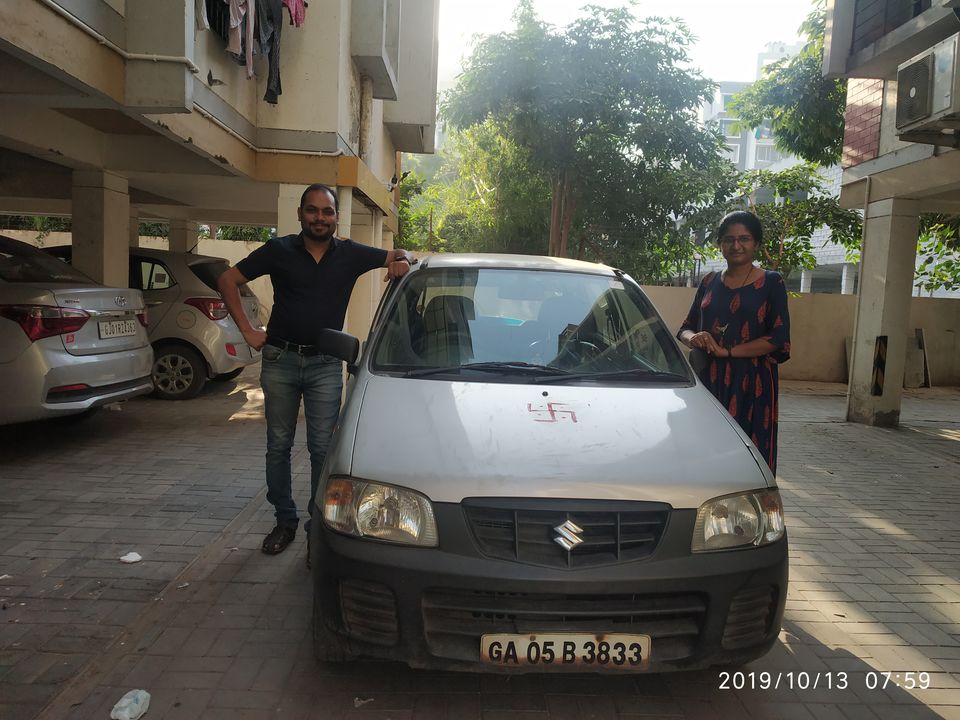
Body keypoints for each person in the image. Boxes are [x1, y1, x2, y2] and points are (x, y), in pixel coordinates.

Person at [218, 183, 414, 556]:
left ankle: (316, 527)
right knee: (279, 445)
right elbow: (228, 280)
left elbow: (401, 252)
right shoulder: (278, 250)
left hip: (326, 364)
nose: (319, 218)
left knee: (323, 449)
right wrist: (247, 330)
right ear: (300, 214)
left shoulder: (350, 254)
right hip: (280, 361)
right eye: (312, 210)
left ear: (337, 217)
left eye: (327, 212)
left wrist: (400, 260)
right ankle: (284, 521)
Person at [678, 210, 790, 474]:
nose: (736, 245)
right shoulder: (709, 281)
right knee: (704, 449)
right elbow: (684, 328)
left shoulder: (771, 282)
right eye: (729, 239)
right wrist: (695, 338)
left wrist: (727, 351)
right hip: (708, 379)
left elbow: (778, 337)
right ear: (720, 244)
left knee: (749, 455)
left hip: (753, 383)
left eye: (744, 238)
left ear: (756, 244)